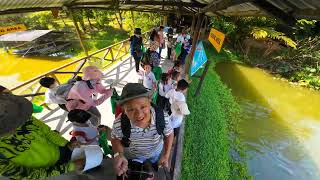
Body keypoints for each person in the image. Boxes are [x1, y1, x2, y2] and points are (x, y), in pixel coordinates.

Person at [0, 93, 83, 179]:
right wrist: (69, 167)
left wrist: (67, 145)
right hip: (43, 175)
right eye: (7, 126)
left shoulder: (20, 116)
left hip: (58, 152)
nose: (17, 126)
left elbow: (47, 132)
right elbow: (24, 175)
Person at [111, 83, 174, 177]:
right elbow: (115, 138)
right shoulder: (119, 124)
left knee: (154, 164)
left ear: (150, 102)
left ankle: (153, 165)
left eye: (143, 107)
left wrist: (166, 155)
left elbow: (169, 134)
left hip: (156, 151)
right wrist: (118, 154)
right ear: (124, 110)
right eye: (131, 109)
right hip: (136, 154)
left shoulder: (162, 118)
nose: (139, 114)